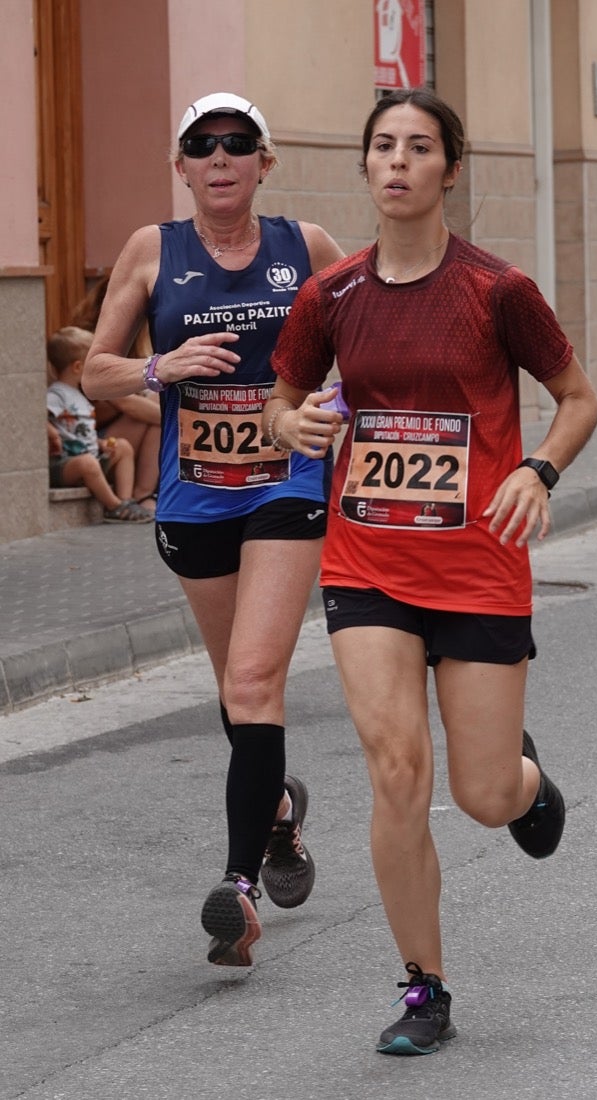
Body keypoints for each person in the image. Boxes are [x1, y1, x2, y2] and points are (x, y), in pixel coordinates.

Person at [264, 87, 597, 1055]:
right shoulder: (332, 296)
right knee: (397, 769)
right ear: (366, 167)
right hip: (368, 560)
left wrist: (540, 468)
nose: (399, 162)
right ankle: (425, 985)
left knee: (480, 793)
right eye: (383, 147)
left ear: (450, 168)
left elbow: (576, 398)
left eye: (419, 147)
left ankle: (525, 782)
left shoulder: (497, 291)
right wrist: (297, 424)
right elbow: (284, 405)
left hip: (480, 565)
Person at [82, 92, 345, 967]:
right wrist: (161, 366)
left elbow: (367, 325)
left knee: (257, 675)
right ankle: (276, 817)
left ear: (264, 162)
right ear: (182, 164)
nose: (221, 157)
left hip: (286, 481)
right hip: (194, 496)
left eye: (239, 144)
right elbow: (94, 372)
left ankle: (236, 889)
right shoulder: (151, 250)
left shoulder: (301, 248)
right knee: (238, 689)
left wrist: (332, 405)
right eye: (204, 144)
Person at [71, 275, 161, 511]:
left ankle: (144, 493)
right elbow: (125, 403)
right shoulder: (82, 343)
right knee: (155, 415)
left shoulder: (137, 340)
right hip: (91, 441)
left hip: (118, 438)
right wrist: (176, 417)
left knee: (156, 400)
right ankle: (141, 495)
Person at [46, 326, 153, 523]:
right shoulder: (57, 393)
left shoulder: (80, 396)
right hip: (65, 464)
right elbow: (39, 419)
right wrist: (51, 432)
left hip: (90, 459)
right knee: (87, 463)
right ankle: (114, 506)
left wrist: (100, 443)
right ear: (78, 367)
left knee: (122, 447)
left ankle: (126, 500)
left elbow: (78, 430)